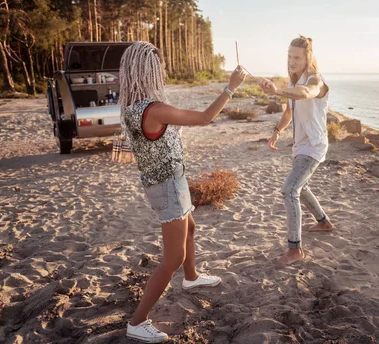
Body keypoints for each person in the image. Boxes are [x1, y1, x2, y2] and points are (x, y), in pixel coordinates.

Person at [119, 41, 246, 343]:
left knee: (190, 227)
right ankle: (138, 322)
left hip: (163, 183)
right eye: (159, 68)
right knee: (171, 258)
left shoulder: (134, 108)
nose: (162, 72)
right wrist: (231, 87)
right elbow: (205, 118)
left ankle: (191, 278)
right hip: (168, 188)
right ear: (148, 72)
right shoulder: (155, 109)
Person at [259, 35, 334, 266]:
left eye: (297, 57)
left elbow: (305, 93)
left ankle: (295, 249)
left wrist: (277, 92)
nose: (292, 61)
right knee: (300, 189)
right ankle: (323, 222)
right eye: (290, 56)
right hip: (300, 146)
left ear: (307, 58)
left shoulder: (316, 81)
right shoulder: (293, 82)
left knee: (289, 189)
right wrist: (277, 131)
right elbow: (289, 112)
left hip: (314, 146)